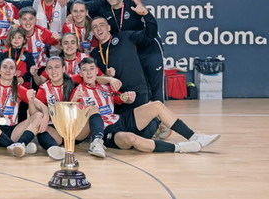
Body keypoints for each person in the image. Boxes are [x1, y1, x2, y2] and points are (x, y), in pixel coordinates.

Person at [71, 57, 220, 154]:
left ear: (96, 71)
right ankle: (179, 148)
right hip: (106, 130)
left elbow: (120, 98)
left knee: (156, 105)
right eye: (85, 70)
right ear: (80, 73)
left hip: (120, 119)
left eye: (91, 69)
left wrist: (128, 97)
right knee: (131, 139)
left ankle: (194, 136)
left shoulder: (105, 86)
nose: (89, 72)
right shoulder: (78, 91)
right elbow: (73, 118)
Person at [33, 56, 110, 160]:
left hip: (75, 129)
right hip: (57, 131)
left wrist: (110, 79)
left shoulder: (73, 81)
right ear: (46, 71)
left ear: (64, 69)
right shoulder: (43, 89)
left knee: (93, 108)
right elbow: (34, 112)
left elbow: (92, 77)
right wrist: (45, 115)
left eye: (57, 67)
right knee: (40, 127)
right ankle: (54, 149)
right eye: (50, 68)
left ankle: (97, 143)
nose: (54, 71)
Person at [90, 8, 157, 112]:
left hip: (138, 92)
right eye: (95, 27)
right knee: (121, 127)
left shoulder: (125, 37)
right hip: (117, 97)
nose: (98, 29)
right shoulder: (94, 53)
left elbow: (150, 34)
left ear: (108, 27)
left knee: (147, 127)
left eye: (101, 25)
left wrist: (146, 14)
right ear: (93, 32)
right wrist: (107, 76)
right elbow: (94, 78)